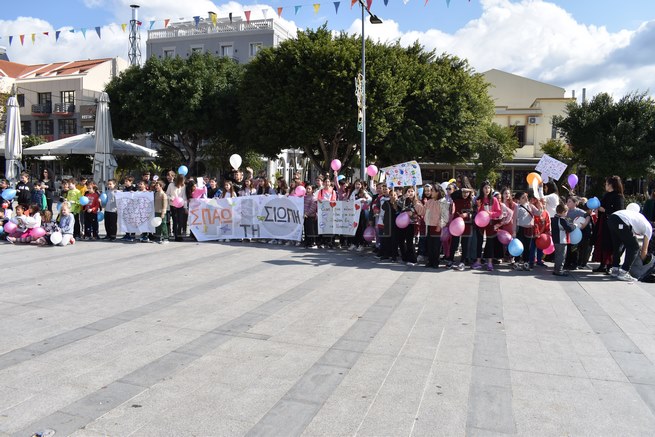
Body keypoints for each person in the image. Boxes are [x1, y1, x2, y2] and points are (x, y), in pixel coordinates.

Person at [607, 209, 652, 282]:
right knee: (634, 247)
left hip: (612, 218)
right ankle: (624, 272)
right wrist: (644, 262)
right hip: (621, 220)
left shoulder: (641, 221)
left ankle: (615, 269)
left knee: (618, 245)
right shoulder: (649, 229)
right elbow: (644, 250)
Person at [593, 175, 625, 273]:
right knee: (602, 242)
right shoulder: (606, 195)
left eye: (607, 183)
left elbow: (619, 211)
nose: (605, 185)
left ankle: (610, 265)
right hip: (603, 222)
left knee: (610, 244)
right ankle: (602, 264)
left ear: (611, 184)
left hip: (612, 224)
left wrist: (605, 210)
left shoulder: (618, 196)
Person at [414, 184, 450, 268]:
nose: (431, 192)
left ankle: (435, 262)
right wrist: (416, 203)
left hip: (437, 226)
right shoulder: (429, 201)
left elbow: (445, 216)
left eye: (432, 191)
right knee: (430, 244)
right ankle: (430, 261)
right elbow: (422, 211)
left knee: (436, 246)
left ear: (437, 192)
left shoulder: (443, 202)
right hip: (429, 225)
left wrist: (440, 225)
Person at [472, 181, 502, 271]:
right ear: (482, 189)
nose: (487, 190)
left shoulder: (494, 199)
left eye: (488, 188)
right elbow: (475, 212)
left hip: (491, 223)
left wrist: (490, 213)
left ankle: (489, 262)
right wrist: (478, 207)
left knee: (490, 243)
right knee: (479, 242)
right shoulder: (478, 199)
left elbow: (499, 212)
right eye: (485, 188)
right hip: (480, 223)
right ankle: (478, 261)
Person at [551, 204, 577, 276]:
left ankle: (556, 269)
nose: (566, 213)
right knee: (561, 256)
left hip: (556, 240)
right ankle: (559, 270)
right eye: (566, 212)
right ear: (563, 212)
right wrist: (575, 225)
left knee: (557, 255)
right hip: (561, 240)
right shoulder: (562, 220)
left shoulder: (554, 218)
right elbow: (569, 229)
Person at [166, 175, 187, 242]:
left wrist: (185, 207)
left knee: (180, 221)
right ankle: (176, 236)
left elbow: (184, 196)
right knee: (175, 221)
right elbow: (167, 194)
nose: (183, 182)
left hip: (181, 205)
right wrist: (171, 198)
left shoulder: (183, 186)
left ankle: (179, 234)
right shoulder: (171, 185)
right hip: (173, 205)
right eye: (182, 180)